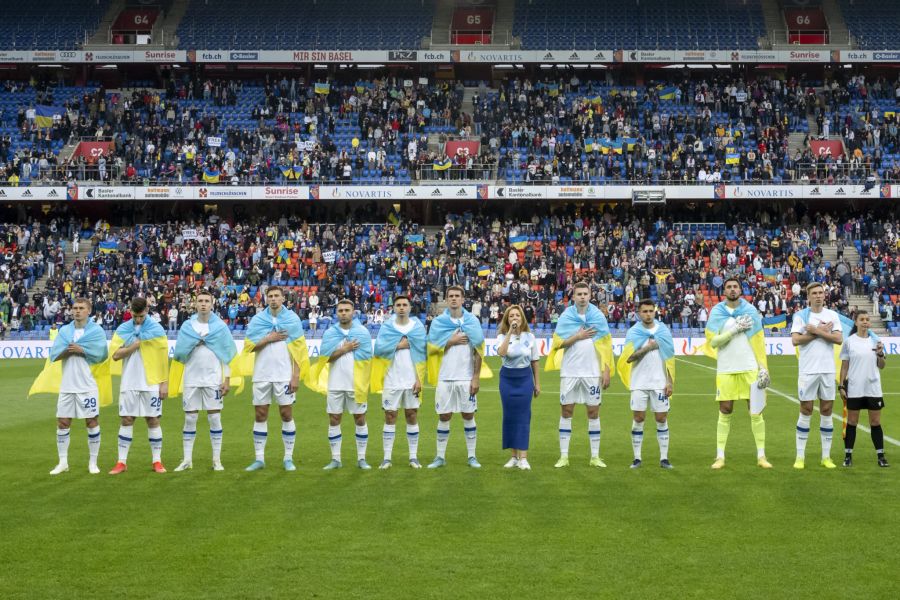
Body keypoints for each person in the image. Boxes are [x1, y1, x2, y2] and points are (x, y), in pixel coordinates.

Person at [29, 297, 110, 475]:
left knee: (92, 421)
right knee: (63, 422)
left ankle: (93, 462)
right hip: (67, 386)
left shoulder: (96, 332)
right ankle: (63, 462)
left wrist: (83, 350)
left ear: (89, 311)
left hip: (87, 385)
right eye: (74, 308)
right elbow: (54, 356)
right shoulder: (65, 332)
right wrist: (67, 350)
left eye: (81, 308)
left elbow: (102, 355)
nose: (77, 311)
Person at [704, 277, 772, 469]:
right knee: (725, 410)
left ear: (741, 289)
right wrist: (734, 330)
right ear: (723, 291)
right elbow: (713, 342)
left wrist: (763, 367)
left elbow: (759, 341)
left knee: (756, 411)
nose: (732, 289)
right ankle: (720, 457)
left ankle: (761, 456)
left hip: (749, 368)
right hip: (726, 369)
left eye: (735, 286)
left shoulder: (750, 311)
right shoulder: (717, 312)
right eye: (729, 287)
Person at [169, 290, 239, 472]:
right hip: (191, 379)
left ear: (212, 303)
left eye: (206, 301)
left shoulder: (220, 327)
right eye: (200, 300)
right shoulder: (187, 326)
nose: (203, 304)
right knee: (190, 418)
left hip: (213, 379)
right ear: (195, 303)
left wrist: (227, 379)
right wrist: (195, 342)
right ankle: (187, 460)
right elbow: (180, 352)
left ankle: (216, 460)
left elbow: (228, 354)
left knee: (214, 417)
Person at [241, 286, 309, 472]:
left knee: (286, 414)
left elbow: (299, 351)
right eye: (270, 296)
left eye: (276, 296)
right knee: (260, 414)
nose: (273, 299)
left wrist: (295, 376)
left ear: (283, 298)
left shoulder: (292, 320)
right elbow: (249, 347)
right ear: (266, 299)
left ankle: (288, 458)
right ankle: (259, 459)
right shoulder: (258, 320)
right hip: (262, 375)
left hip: (284, 376)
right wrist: (268, 338)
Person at [545, 281, 613, 468]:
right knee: (566, 411)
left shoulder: (598, 316)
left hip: (592, 372)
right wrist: (577, 336)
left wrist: (606, 370)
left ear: (590, 295)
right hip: (570, 372)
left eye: (585, 293)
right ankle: (564, 456)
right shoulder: (567, 316)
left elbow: (606, 345)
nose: (582, 296)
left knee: (593, 412)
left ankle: (595, 457)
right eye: (579, 294)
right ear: (573, 296)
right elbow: (558, 343)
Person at [425, 285, 492, 469]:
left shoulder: (472, 322)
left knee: (468, 414)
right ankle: (440, 457)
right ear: (446, 299)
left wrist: (476, 377)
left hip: (465, 377)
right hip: (444, 377)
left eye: (457, 296)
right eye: (451, 296)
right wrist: (450, 341)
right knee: (444, 416)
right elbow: (430, 348)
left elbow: (479, 350)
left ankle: (471, 456)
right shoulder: (439, 322)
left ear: (463, 299)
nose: (454, 299)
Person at [307, 299, 373, 470]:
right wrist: (344, 349)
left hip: (356, 384)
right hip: (335, 383)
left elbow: (367, 360)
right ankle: (336, 459)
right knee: (334, 419)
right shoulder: (330, 333)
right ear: (337, 313)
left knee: (360, 419)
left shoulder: (362, 333)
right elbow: (325, 358)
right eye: (340, 310)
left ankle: (361, 459)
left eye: (347, 310)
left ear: (353, 312)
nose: (343, 313)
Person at [108, 297, 170, 474]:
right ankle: (121, 462)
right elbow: (115, 355)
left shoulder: (156, 329)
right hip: (129, 382)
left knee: (153, 419)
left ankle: (157, 461)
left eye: (141, 316)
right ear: (130, 311)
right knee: (127, 419)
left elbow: (162, 358)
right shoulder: (123, 329)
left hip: (151, 383)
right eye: (135, 316)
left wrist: (164, 383)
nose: (138, 320)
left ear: (147, 310)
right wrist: (133, 346)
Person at [790, 282, 843, 469]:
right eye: (815, 293)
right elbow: (796, 340)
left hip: (828, 369)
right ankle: (800, 457)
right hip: (808, 369)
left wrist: (816, 331)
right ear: (809, 296)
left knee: (827, 410)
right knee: (806, 410)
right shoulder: (801, 316)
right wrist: (820, 333)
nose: (819, 296)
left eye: (821, 292)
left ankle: (826, 457)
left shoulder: (832, 315)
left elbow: (838, 339)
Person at [617, 299, 675, 469]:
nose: (648, 314)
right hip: (639, 383)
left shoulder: (663, 330)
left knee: (661, 418)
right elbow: (629, 357)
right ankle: (637, 458)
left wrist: (670, 381)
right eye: (645, 311)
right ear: (638, 313)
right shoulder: (634, 332)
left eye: (651, 311)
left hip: (660, 383)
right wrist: (648, 348)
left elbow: (670, 358)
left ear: (655, 311)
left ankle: (664, 459)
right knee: (638, 418)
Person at [371, 295, 426, 469]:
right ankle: (387, 458)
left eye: (404, 305)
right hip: (391, 379)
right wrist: (399, 345)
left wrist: (419, 379)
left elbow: (422, 353)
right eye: (398, 305)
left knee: (412, 415)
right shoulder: (387, 327)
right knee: (390, 416)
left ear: (410, 307)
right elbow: (378, 349)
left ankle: (413, 457)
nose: (401, 307)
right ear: (393, 308)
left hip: (412, 379)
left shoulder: (417, 328)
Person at [839, 311, 889, 468]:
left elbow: (881, 366)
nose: (865, 322)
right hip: (855, 388)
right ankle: (848, 456)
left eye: (867, 319)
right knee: (852, 422)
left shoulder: (876, 341)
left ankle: (881, 456)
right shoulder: (849, 342)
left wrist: (880, 354)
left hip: (873, 388)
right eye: (862, 319)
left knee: (875, 422)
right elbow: (844, 365)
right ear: (856, 322)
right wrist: (841, 385)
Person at [497, 305, 541, 470]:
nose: (514, 318)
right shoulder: (502, 336)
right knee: (509, 417)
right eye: (511, 316)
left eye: (517, 315)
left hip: (524, 379)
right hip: (507, 380)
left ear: (522, 319)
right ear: (507, 320)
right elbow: (502, 353)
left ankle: (523, 458)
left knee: (523, 417)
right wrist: (509, 333)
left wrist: (537, 383)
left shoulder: (530, 337)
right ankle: (513, 457)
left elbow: (535, 361)